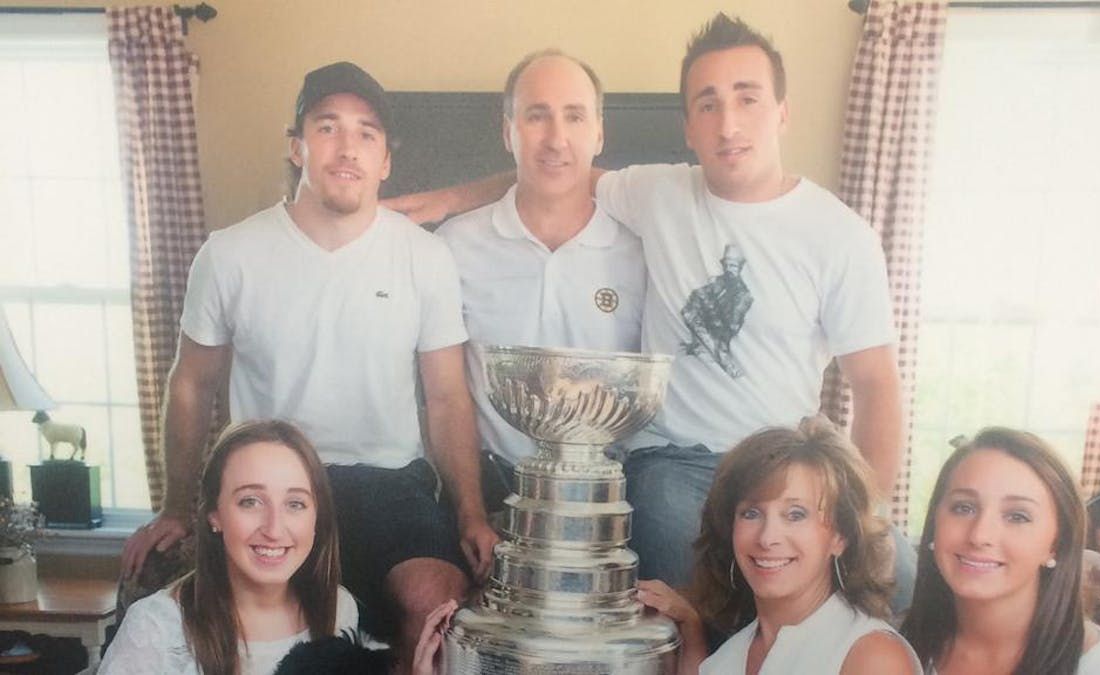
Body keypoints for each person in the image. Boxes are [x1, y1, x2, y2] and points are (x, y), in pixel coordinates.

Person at [386, 13, 911, 605]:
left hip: (786, 460)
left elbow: (877, 385)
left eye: (748, 99)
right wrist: (455, 198)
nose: (729, 123)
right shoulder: (659, 194)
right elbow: (555, 170)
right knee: (677, 548)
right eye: (708, 104)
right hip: (669, 461)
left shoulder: (841, 235)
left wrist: (865, 520)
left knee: (905, 578)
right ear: (688, 124)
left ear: (783, 112)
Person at [118, 61, 498, 667]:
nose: (348, 146)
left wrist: (473, 513)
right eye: (328, 127)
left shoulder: (425, 257)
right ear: (297, 147)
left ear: (385, 161)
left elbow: (448, 396)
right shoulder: (231, 253)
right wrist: (176, 505)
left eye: (367, 133)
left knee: (433, 600)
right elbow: (192, 384)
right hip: (271, 483)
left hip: (387, 480)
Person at [437, 49, 645, 507]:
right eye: (537, 116)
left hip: (619, 494)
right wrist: (469, 513)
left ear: (599, 132)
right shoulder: (453, 247)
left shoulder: (644, 249)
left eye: (574, 116)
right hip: (493, 489)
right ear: (508, 131)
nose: (556, 139)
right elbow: (446, 398)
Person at [638, 419, 918, 674]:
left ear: (840, 536)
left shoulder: (871, 657)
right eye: (751, 513)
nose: (767, 537)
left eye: (796, 514)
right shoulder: (727, 658)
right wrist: (692, 632)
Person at [100, 420, 358, 675]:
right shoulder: (154, 628)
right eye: (250, 501)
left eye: (295, 504)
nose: (274, 529)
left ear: (316, 517)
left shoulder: (339, 609)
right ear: (215, 515)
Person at [900, 427, 1100, 674]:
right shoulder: (890, 648)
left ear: (1056, 545)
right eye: (963, 508)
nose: (979, 535)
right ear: (934, 524)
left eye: (1017, 516)